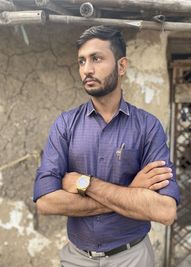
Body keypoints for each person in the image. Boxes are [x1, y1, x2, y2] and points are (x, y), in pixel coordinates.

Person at [33, 25, 180, 267]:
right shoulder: (65, 125)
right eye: (81, 61)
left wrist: (84, 183)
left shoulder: (148, 127)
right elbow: (45, 202)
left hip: (132, 257)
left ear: (122, 66)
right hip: (76, 258)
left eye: (97, 59)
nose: (87, 70)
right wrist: (131, 193)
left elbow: (165, 211)